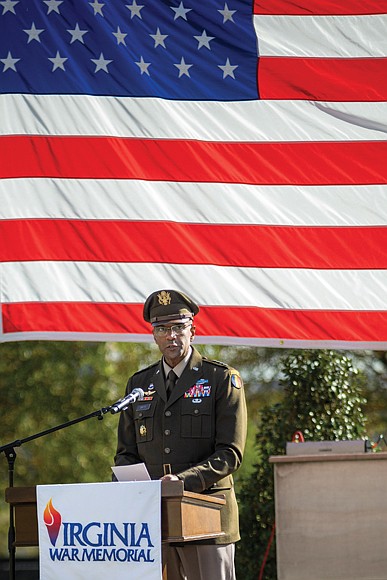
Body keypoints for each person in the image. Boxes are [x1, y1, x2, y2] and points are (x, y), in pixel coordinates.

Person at [114, 289, 247, 580]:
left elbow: (231, 453)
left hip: (208, 517)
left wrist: (182, 482)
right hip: (154, 519)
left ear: (193, 331)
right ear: (154, 335)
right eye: (162, 329)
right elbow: (126, 452)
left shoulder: (220, 379)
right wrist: (128, 483)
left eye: (178, 328)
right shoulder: (139, 383)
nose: (170, 336)